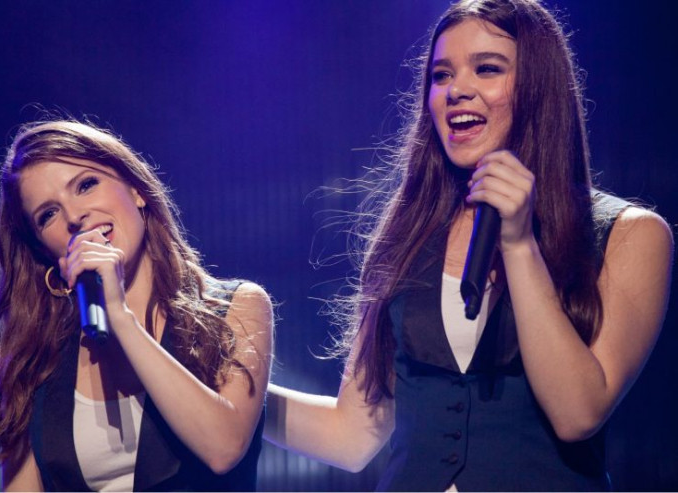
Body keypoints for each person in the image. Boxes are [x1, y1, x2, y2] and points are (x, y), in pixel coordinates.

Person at [264, 0, 673, 491]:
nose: (456, 90)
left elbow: (578, 413)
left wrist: (519, 244)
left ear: (538, 86)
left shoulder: (629, 235)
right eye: (441, 75)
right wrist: (226, 394)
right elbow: (351, 436)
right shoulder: (409, 233)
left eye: (487, 69)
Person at [0, 119, 273, 491]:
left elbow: (223, 447)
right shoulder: (36, 363)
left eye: (86, 185)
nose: (73, 217)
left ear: (136, 190)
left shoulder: (234, 308)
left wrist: (119, 315)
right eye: (48, 214)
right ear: (44, 252)